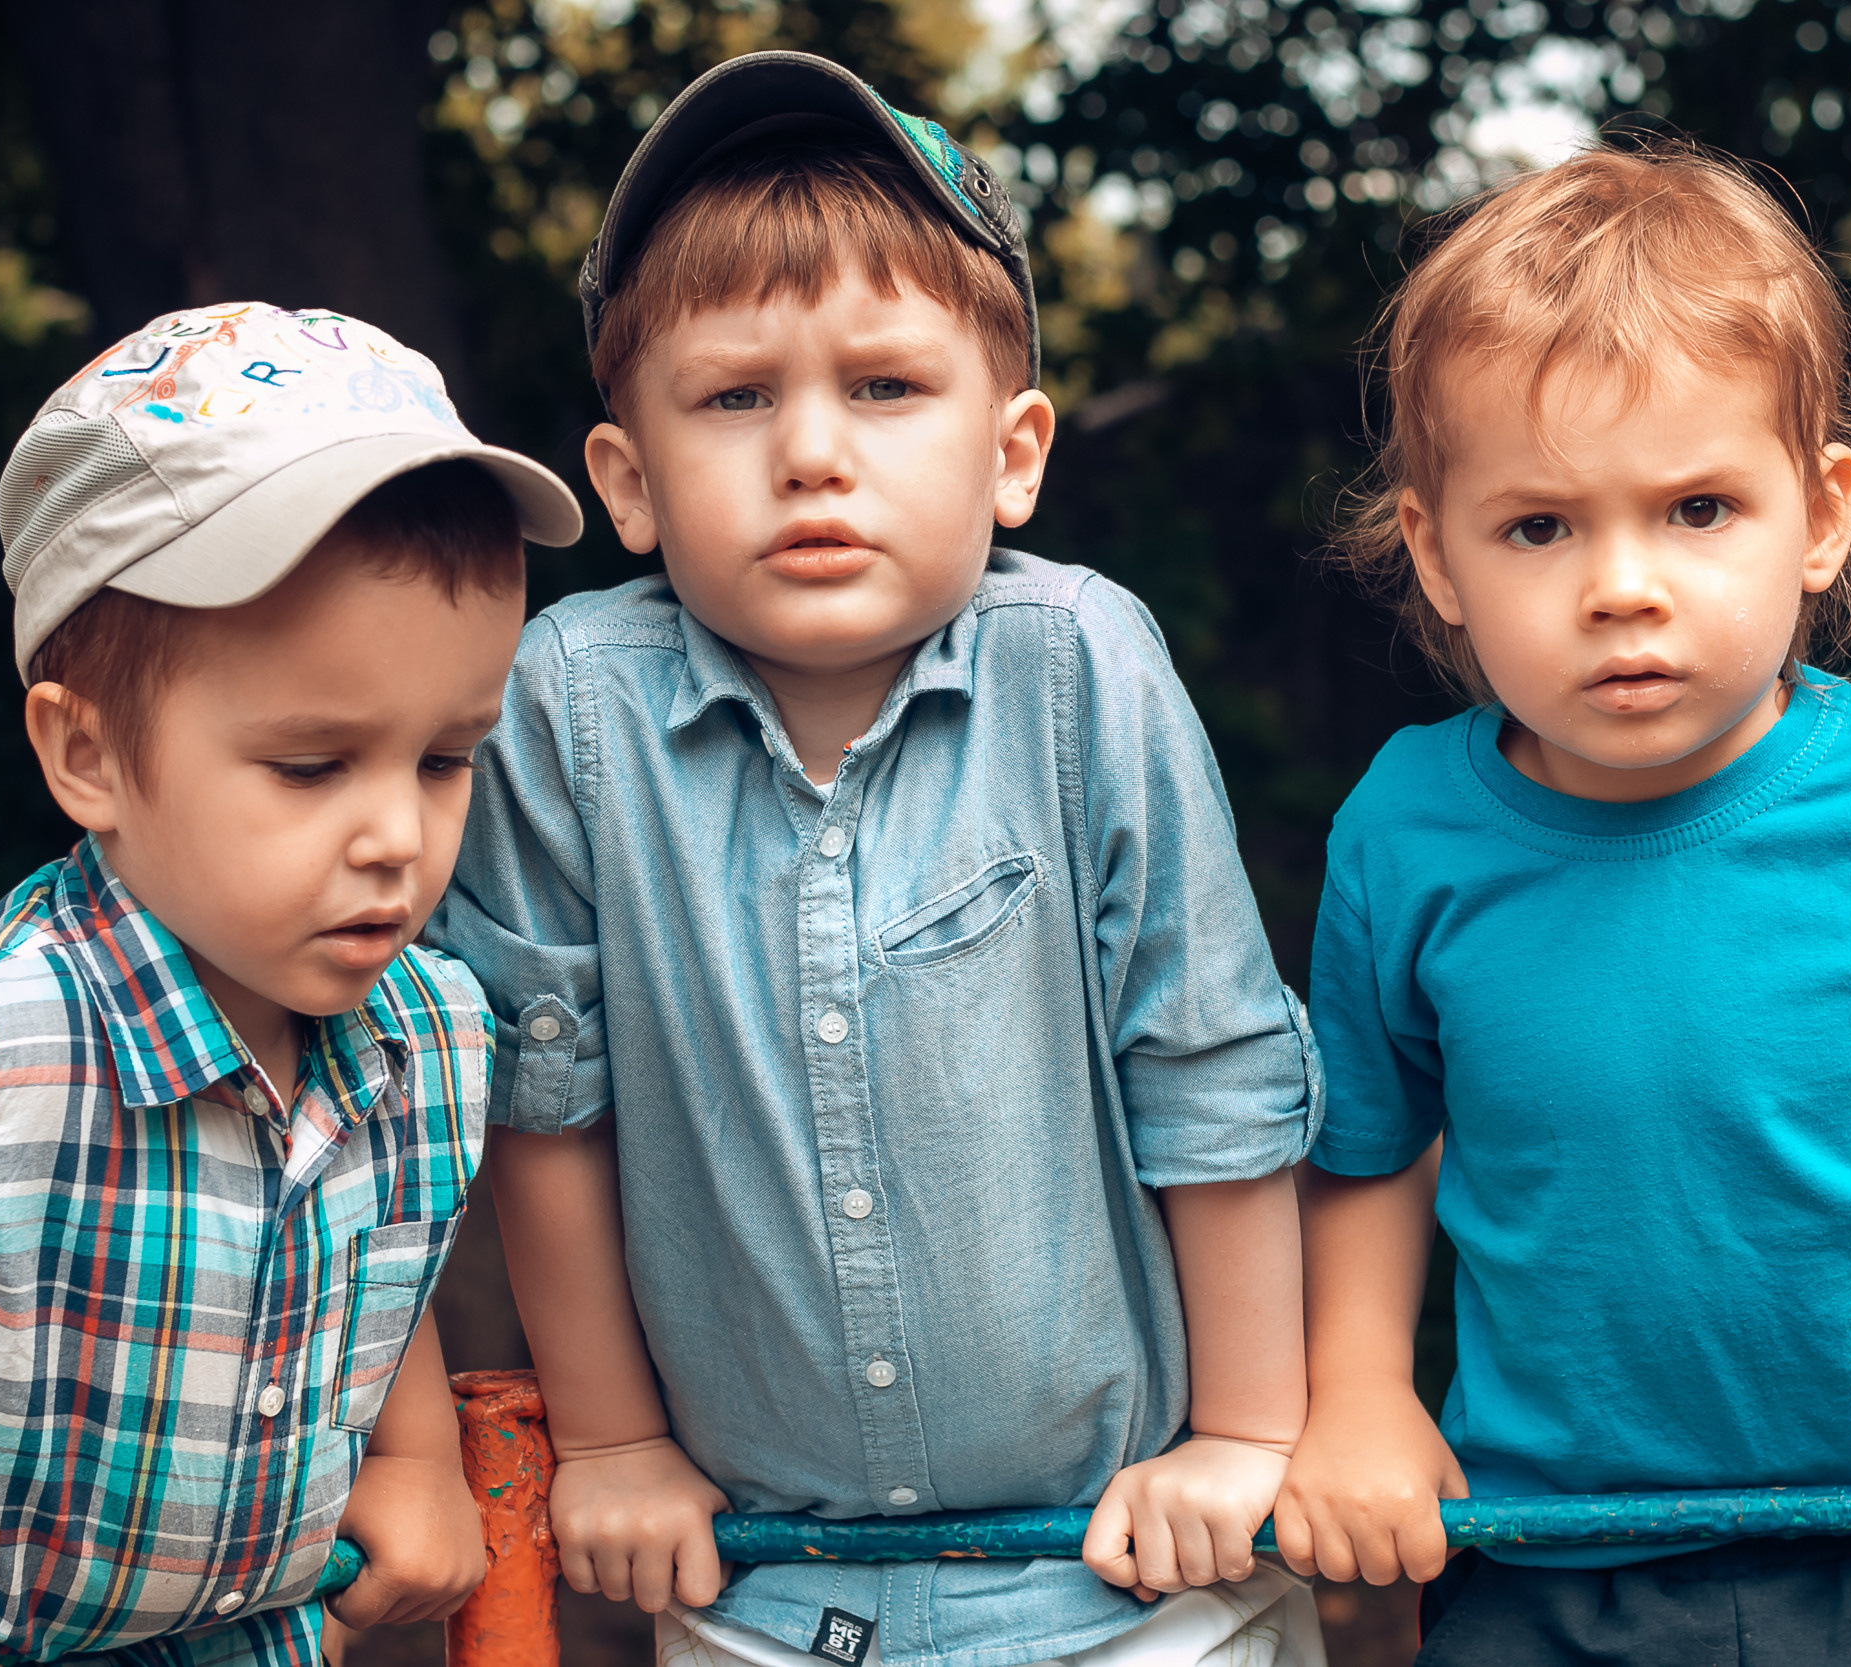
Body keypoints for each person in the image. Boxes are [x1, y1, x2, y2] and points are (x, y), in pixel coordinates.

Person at [426, 51, 1323, 1667]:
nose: (812, 453)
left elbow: (1210, 1062)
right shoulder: (570, 703)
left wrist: (1248, 1438)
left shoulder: (1081, 667)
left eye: (887, 388)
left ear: (1013, 453)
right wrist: (618, 1445)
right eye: (735, 397)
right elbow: (549, 1102)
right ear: (626, 480)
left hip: (1132, 1567)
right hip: (765, 1585)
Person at [1271, 143, 1851, 1667]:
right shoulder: (1408, 832)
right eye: (1539, 526)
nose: (1622, 585)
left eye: (1698, 508)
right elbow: (1369, 1144)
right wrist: (1361, 1390)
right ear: (1436, 551)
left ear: (1818, 513)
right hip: (1549, 1561)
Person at [0, 302, 586, 1667]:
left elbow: (376, 1265)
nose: (397, 835)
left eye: (445, 759)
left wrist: (417, 1454)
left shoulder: (433, 1038)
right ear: (86, 757)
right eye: (314, 767)